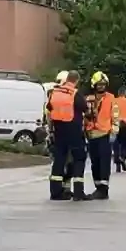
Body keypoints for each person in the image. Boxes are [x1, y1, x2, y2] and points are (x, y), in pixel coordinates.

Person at [47, 70, 90, 201]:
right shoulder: (75, 94)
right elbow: (86, 110)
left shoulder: (55, 92)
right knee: (79, 158)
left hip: (59, 129)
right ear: (76, 80)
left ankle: (55, 192)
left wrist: (51, 130)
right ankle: (78, 192)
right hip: (74, 130)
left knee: (59, 159)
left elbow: (49, 110)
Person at [84, 71, 120, 199]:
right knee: (95, 163)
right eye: (99, 84)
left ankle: (104, 189)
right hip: (92, 134)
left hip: (105, 134)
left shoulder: (111, 98)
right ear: (94, 85)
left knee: (104, 162)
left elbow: (115, 116)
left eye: (103, 84)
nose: (101, 87)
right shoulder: (89, 99)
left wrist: (114, 131)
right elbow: (85, 116)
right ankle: (98, 187)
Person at [45, 71, 76, 198]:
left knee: (64, 162)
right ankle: (60, 189)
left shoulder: (55, 95)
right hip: (62, 133)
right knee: (62, 162)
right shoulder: (58, 95)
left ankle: (64, 188)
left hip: (57, 133)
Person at [113, 86, 126, 173]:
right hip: (125, 125)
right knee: (125, 143)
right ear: (125, 93)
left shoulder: (114, 102)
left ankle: (118, 163)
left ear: (118, 94)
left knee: (116, 144)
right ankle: (123, 157)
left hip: (116, 125)